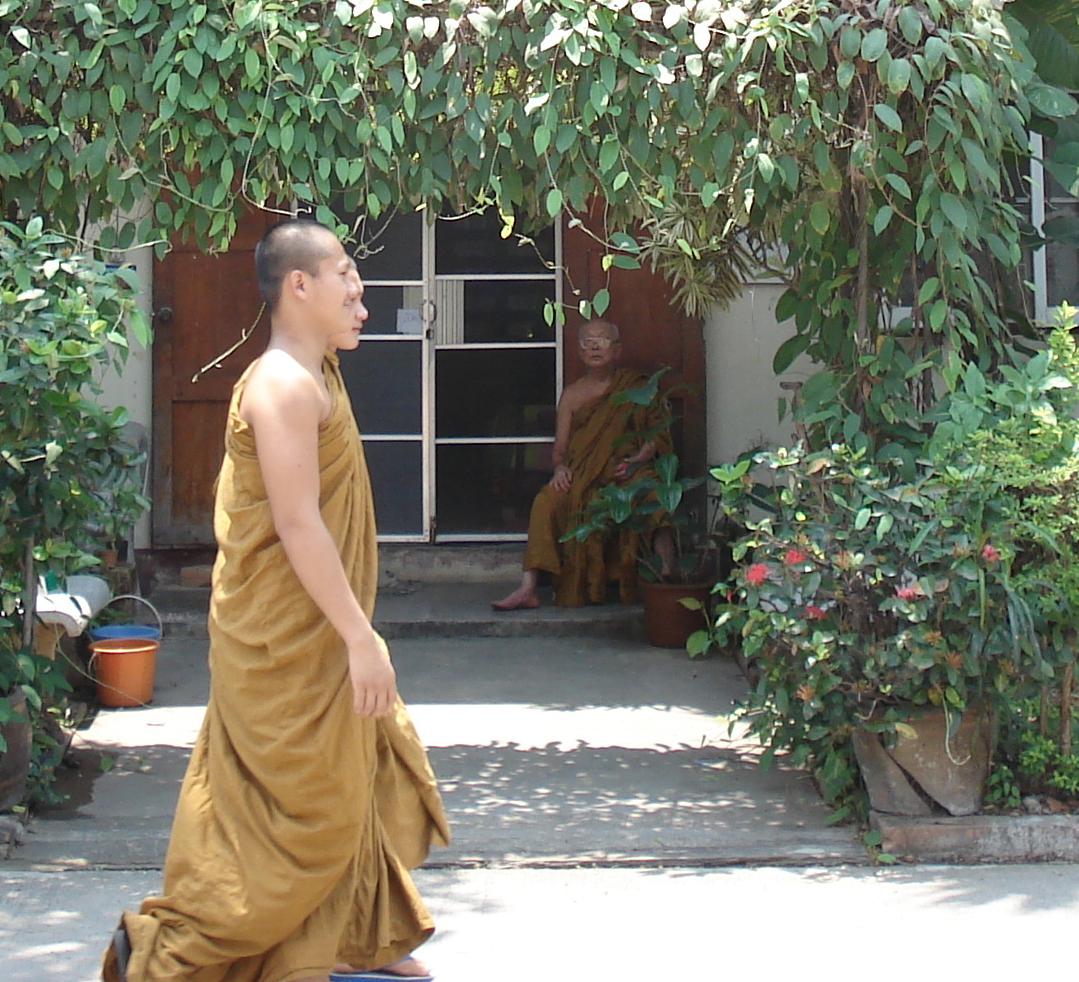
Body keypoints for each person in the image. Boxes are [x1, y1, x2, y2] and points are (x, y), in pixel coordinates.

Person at [106, 218, 449, 982]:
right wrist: (361, 638)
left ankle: (344, 941)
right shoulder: (283, 385)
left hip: (315, 634)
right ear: (300, 286)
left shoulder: (319, 372)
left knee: (344, 793)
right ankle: (168, 957)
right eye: (348, 281)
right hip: (284, 646)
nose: (362, 299)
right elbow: (296, 525)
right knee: (307, 819)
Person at [492, 318, 670, 612]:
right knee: (546, 501)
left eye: (602, 340)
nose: (595, 347)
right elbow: (559, 451)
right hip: (583, 475)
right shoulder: (572, 395)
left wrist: (637, 460)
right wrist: (560, 469)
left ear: (617, 349)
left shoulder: (638, 387)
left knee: (657, 496)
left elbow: (656, 436)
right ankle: (528, 587)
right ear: (579, 351)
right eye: (588, 342)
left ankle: (666, 571)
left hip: (628, 471)